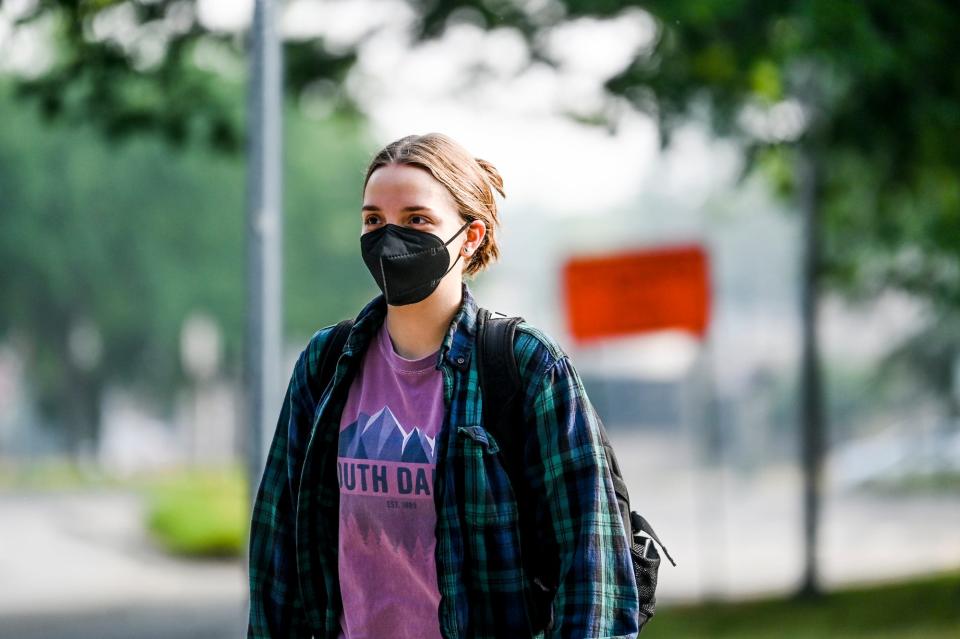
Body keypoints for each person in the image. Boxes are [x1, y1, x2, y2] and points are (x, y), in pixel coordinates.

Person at [247, 133, 640, 639]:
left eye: (417, 220)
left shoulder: (527, 367)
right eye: (373, 221)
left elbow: (594, 572)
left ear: (471, 236)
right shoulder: (326, 365)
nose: (389, 239)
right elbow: (277, 553)